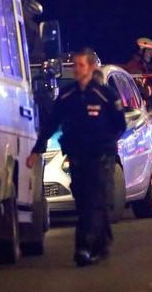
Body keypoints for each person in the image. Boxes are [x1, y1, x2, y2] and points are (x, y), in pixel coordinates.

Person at [26, 48, 126, 267]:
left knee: (96, 201)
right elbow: (52, 124)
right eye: (75, 65)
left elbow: (120, 124)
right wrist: (37, 149)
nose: (77, 69)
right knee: (84, 202)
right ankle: (102, 244)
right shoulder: (67, 96)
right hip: (77, 156)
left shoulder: (105, 95)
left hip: (100, 157)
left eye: (81, 65)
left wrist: (108, 144)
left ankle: (83, 247)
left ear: (91, 67)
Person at [122, 37, 152, 101]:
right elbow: (138, 90)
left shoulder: (144, 66)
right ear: (141, 51)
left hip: (144, 103)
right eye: (149, 50)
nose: (151, 54)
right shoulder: (134, 67)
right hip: (137, 104)